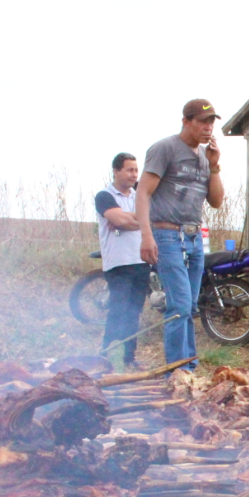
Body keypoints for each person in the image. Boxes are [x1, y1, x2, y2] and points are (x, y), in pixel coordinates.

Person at [136, 99, 225, 369]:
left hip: (194, 237)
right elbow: (143, 192)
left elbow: (217, 201)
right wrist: (146, 236)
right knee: (179, 306)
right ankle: (177, 372)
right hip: (167, 235)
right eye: (202, 121)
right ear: (186, 121)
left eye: (211, 122)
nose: (208, 127)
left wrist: (214, 166)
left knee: (189, 307)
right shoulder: (165, 148)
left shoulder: (205, 156)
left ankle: (188, 366)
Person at [95, 152, 149, 370]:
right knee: (118, 311)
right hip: (118, 264)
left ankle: (129, 358)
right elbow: (118, 219)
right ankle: (106, 356)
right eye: (129, 170)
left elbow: (141, 217)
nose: (134, 175)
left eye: (136, 170)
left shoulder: (140, 195)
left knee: (134, 312)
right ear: (116, 171)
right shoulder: (104, 196)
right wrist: (142, 219)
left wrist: (132, 219)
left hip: (141, 260)